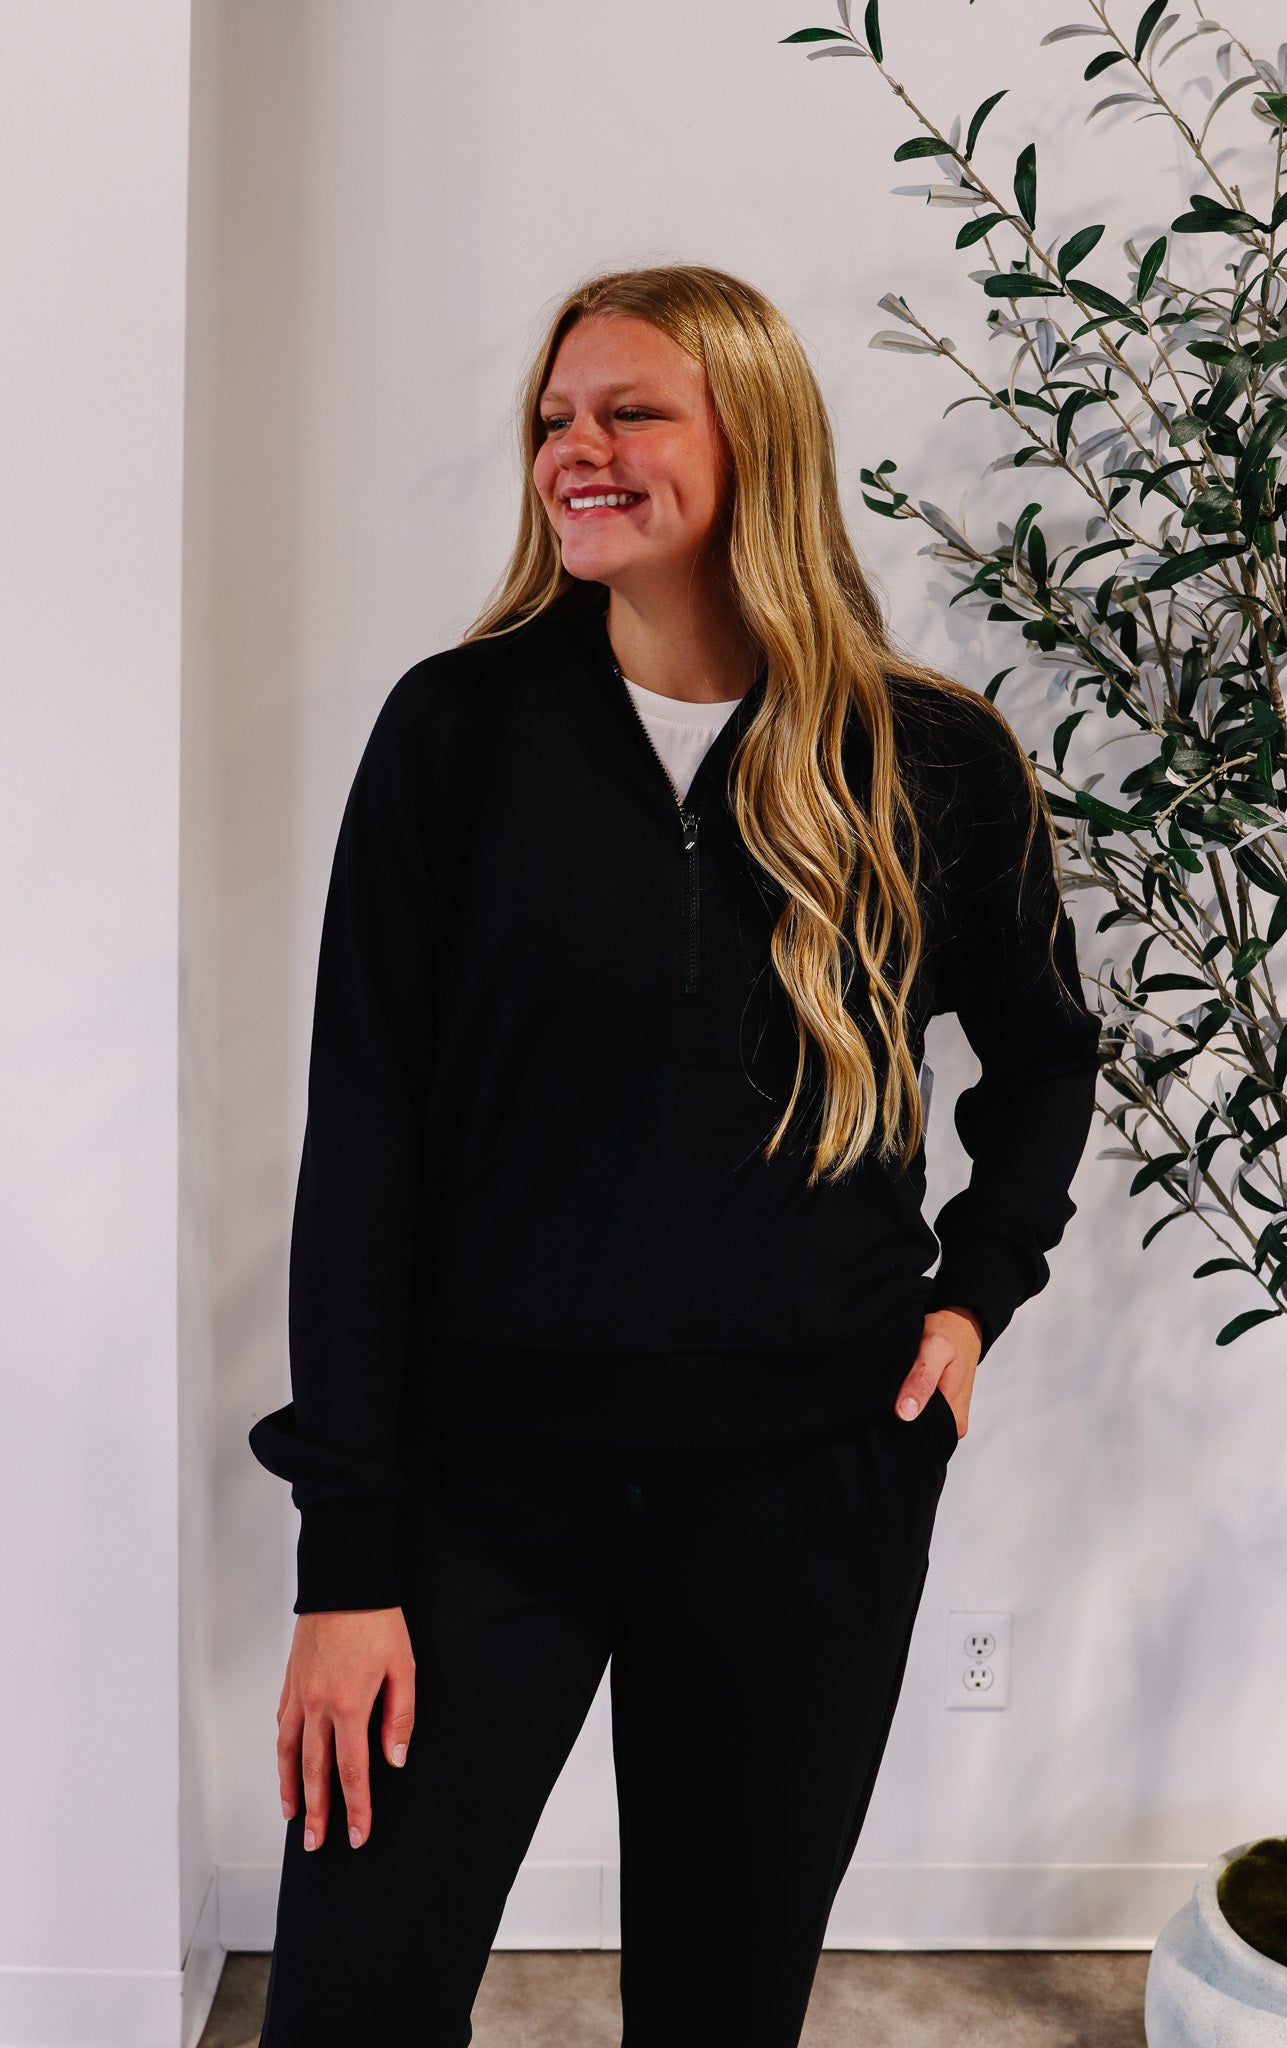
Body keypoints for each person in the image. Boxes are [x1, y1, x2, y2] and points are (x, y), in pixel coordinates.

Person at [247, 262, 1103, 2048]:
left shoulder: (927, 761)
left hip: (806, 1492)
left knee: (722, 2015)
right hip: (477, 1492)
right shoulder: (454, 737)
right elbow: (365, 1148)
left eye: (630, 411)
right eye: (555, 418)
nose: (577, 447)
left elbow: (1041, 1059)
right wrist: (347, 1561)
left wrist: (972, 1299)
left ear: (753, 441)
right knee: (350, 2005)